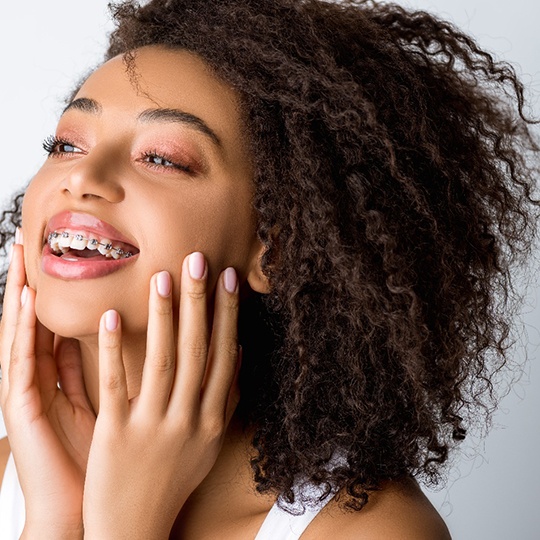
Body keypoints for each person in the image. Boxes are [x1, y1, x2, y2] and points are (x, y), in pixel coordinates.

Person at [0, 0, 538, 537]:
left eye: (162, 157)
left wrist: (124, 527)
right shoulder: (14, 472)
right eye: (66, 145)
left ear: (276, 246)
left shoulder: (371, 530)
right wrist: (52, 519)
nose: (83, 176)